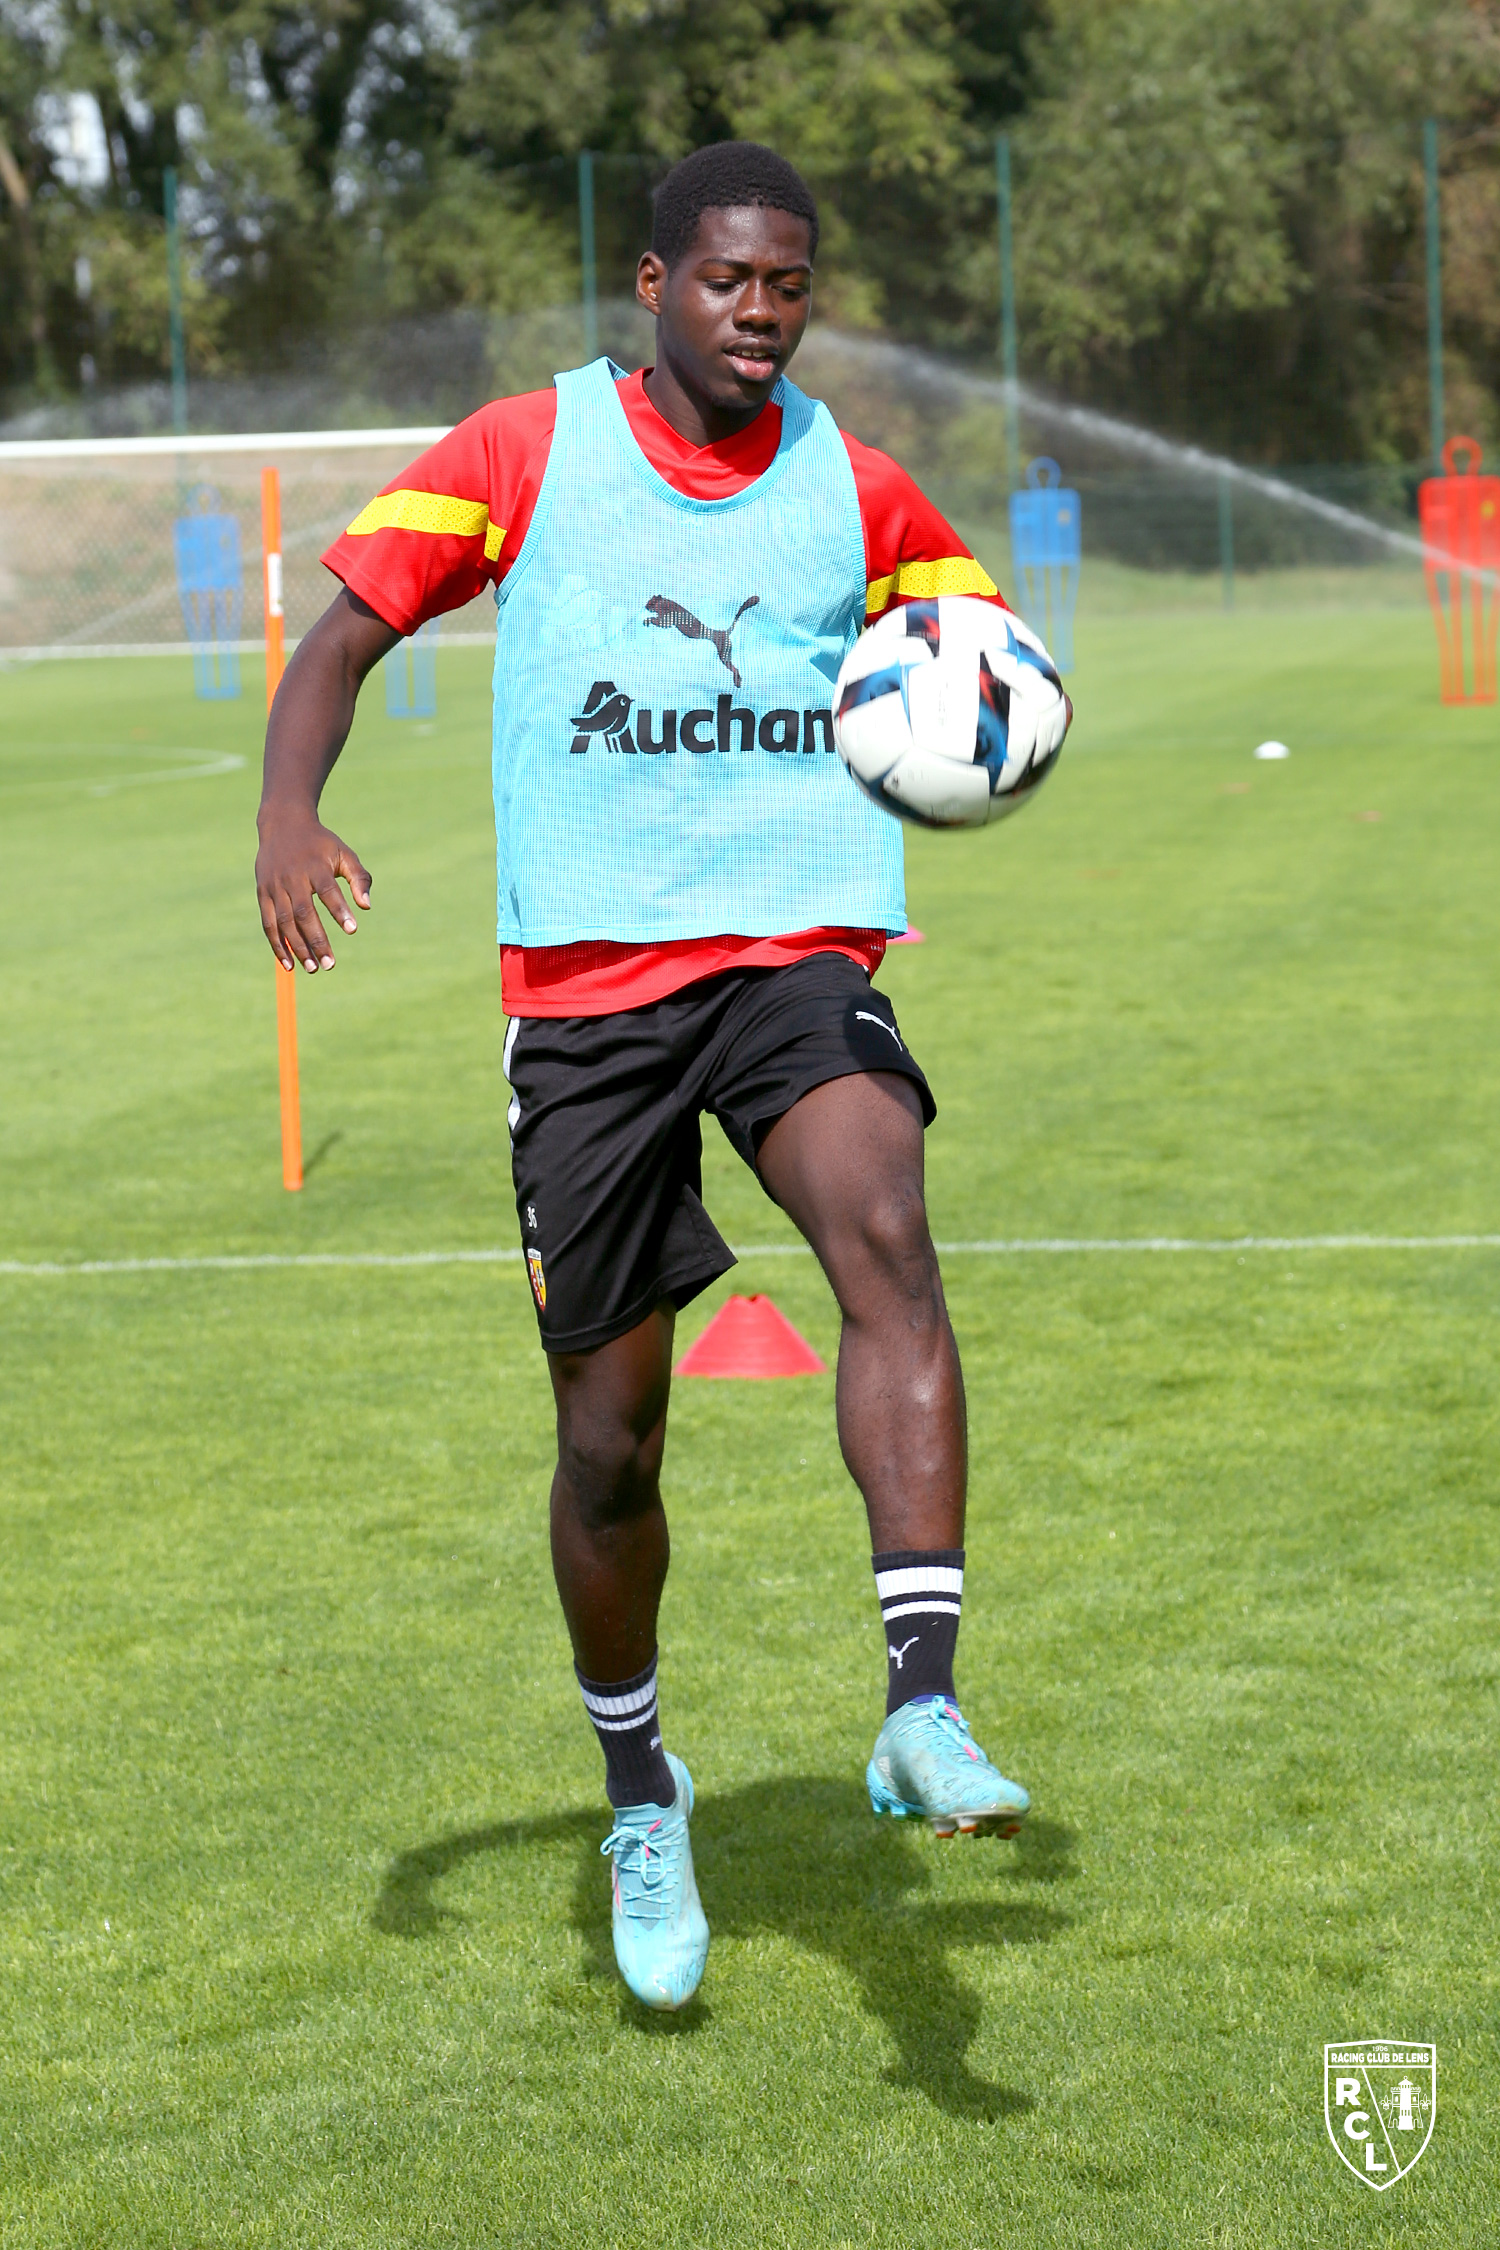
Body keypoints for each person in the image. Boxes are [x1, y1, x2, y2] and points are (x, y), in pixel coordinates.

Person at [255, 141, 1061, 2013]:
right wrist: (291, 811)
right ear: (651, 284)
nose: (761, 312)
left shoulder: (853, 482)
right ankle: (640, 1788)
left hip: (796, 947)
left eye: (788, 283)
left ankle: (922, 1707)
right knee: (610, 1446)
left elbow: (976, 650)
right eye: (727, 281)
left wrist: (988, 713)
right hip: (591, 997)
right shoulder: (523, 452)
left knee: (888, 1227)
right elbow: (347, 632)